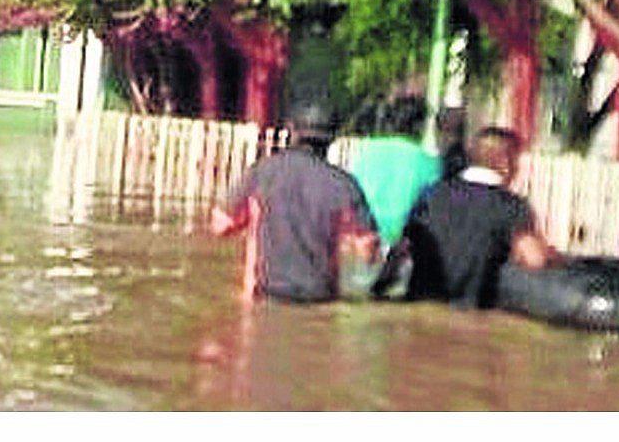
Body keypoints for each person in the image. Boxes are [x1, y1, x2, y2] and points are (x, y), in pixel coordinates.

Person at [209, 106, 380, 302]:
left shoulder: (263, 172)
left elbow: (220, 226)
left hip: (264, 296)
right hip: (319, 299)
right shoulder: (344, 184)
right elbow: (368, 249)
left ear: (292, 132)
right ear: (332, 138)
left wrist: (248, 221)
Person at [402, 126, 557, 308]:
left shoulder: (432, 194)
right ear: (505, 162)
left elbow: (405, 247)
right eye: (516, 161)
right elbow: (535, 259)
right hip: (471, 312)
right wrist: (554, 255)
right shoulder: (511, 206)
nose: (517, 168)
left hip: (419, 305)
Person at [347, 97, 442, 247]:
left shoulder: (365, 150)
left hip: (363, 236)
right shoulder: (429, 162)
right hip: (403, 243)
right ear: (420, 126)